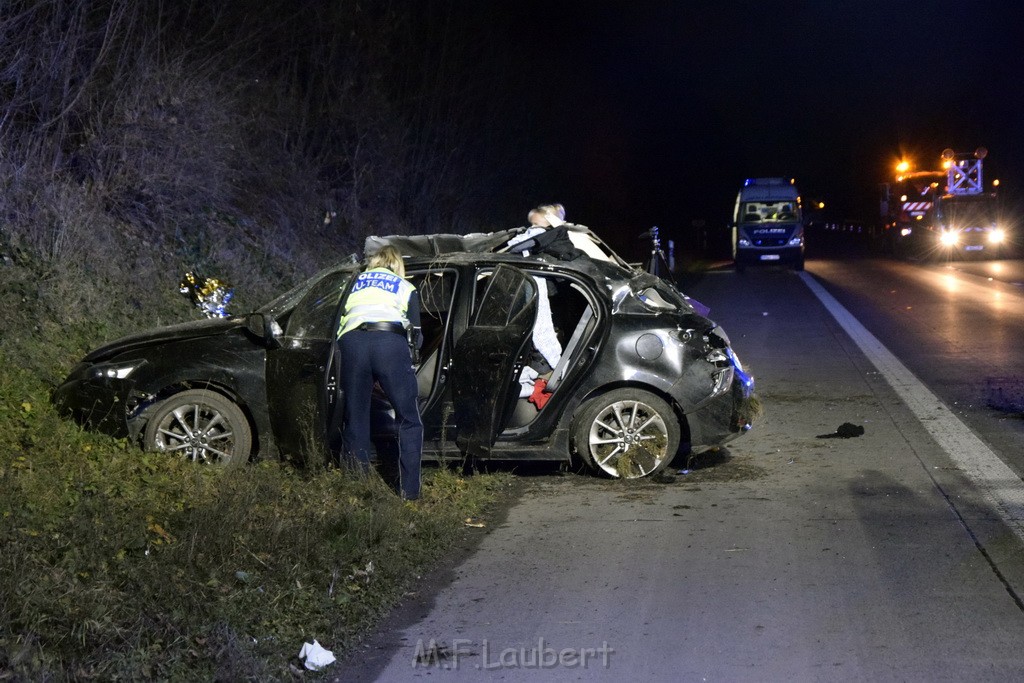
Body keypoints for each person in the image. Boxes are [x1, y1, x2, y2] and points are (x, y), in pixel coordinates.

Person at [337, 245, 424, 500]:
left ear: (372, 263)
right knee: (409, 418)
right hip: (388, 342)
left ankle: (356, 490)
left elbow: (338, 319)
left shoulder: (354, 282)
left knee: (356, 418)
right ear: (397, 265)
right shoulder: (404, 286)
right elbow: (416, 334)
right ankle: (409, 492)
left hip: (352, 344)